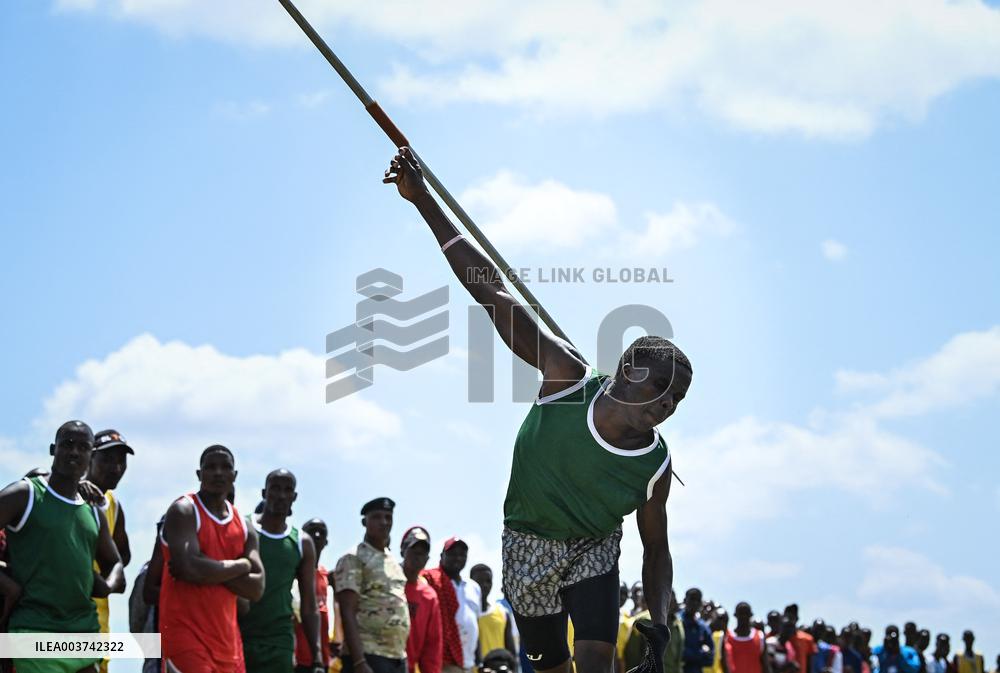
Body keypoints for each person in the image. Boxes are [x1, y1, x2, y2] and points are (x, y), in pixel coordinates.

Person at [385, 146, 690, 673]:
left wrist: (658, 627)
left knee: (596, 659)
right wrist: (423, 201)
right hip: (528, 543)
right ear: (624, 370)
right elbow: (490, 292)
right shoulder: (565, 377)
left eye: (676, 398)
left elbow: (656, 551)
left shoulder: (654, 465)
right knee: (551, 668)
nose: (666, 404)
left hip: (595, 545)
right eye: (660, 386)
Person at [0, 420, 126, 673]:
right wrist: (6, 583)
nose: (75, 452)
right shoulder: (25, 494)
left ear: (90, 456)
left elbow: (115, 563)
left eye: (83, 447)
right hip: (34, 629)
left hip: (83, 632)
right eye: (67, 444)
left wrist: (107, 584)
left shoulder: (92, 510)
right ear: (52, 449)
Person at [155, 444, 264, 673]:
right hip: (186, 637)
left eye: (225, 468)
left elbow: (256, 588)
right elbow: (188, 570)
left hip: (229, 645)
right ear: (199, 474)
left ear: (234, 476)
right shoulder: (184, 510)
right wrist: (241, 565)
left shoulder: (244, 527)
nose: (218, 473)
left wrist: (206, 564)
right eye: (211, 467)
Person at [239, 470, 324, 673]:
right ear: (264, 492)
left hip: (279, 641)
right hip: (240, 634)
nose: (281, 495)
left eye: (287, 490)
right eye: (275, 488)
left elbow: (309, 605)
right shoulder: (242, 527)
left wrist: (317, 656)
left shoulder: (301, 542)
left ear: (294, 497)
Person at [334, 497, 410, 673]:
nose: (384, 522)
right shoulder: (354, 558)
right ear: (364, 522)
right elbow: (347, 611)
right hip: (368, 655)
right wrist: (359, 662)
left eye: (388, 517)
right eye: (377, 517)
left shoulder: (392, 561)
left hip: (397, 657)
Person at [86, 428, 134, 673]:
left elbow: (123, 556)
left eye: (121, 461)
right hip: (60, 620)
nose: (115, 467)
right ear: (89, 458)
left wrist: (107, 576)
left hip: (98, 620)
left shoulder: (112, 504)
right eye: (107, 459)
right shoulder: (67, 494)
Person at [422, 537, 483, 673]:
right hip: (443, 662)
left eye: (462, 554)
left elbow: (475, 625)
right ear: (441, 556)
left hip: (469, 663)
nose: (458, 558)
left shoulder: (474, 587)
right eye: (452, 554)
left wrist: (480, 662)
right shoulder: (431, 581)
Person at [296, 518, 336, 673]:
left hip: (321, 660)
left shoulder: (327, 576)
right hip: (297, 658)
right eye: (312, 531)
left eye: (322, 532)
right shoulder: (293, 573)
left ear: (326, 542)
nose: (317, 535)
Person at [401, 526, 443, 673]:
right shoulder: (386, 581)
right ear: (402, 550)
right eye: (413, 550)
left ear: (427, 559)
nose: (418, 556)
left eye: (423, 552)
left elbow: (432, 646)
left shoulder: (429, 596)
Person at [625, 590, 684, 673]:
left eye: (672, 600)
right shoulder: (642, 621)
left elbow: (678, 661)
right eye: (666, 600)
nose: (669, 603)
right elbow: (632, 654)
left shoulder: (678, 625)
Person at [472, 563, 517, 665]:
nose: (484, 585)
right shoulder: (464, 614)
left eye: (488, 581)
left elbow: (511, 653)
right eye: (479, 581)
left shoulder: (502, 613)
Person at [725, 603, 770, 673]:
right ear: (735, 615)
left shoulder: (760, 636)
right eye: (741, 613)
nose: (743, 616)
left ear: (751, 615)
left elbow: (766, 665)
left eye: (746, 614)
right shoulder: (727, 637)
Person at [681, 589, 714, 673]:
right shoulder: (676, 622)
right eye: (692, 599)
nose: (695, 603)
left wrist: (690, 654)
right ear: (685, 600)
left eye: (698, 600)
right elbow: (675, 653)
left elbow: (710, 660)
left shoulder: (703, 627)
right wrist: (700, 653)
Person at [783, 605, 817, 673]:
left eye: (792, 617)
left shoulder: (807, 639)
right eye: (787, 617)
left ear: (797, 618)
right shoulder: (775, 639)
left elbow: (810, 664)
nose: (789, 620)